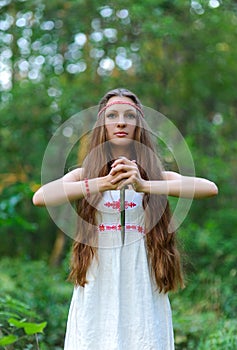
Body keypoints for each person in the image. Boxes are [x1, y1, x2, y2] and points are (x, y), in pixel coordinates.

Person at [33, 88, 218, 350]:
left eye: (129, 115)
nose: (121, 122)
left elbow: (209, 188)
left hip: (142, 280)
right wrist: (103, 182)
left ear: (138, 124)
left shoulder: (154, 174)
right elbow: (41, 197)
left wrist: (144, 185)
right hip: (98, 280)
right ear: (103, 124)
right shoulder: (85, 173)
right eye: (112, 116)